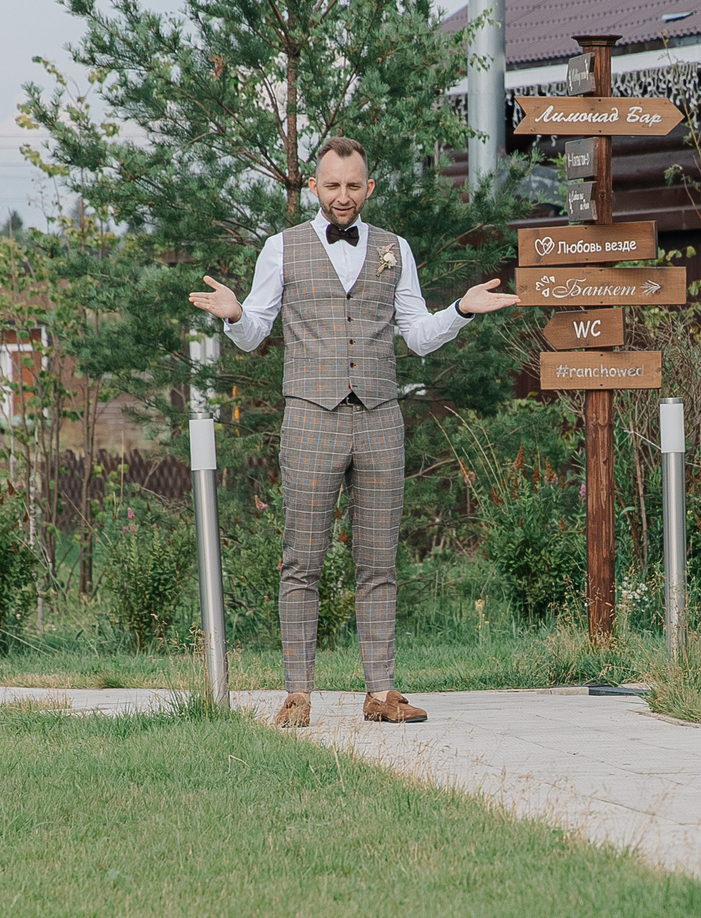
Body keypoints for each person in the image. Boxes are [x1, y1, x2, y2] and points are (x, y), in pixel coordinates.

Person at [190, 137, 518, 728]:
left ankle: (382, 692)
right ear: (314, 188)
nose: (343, 196)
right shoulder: (281, 248)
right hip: (310, 417)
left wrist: (461, 311)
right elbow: (257, 330)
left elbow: (416, 335)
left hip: (380, 418)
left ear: (369, 188)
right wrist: (236, 315)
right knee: (303, 561)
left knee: (379, 560)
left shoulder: (396, 249)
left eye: (353, 185)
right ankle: (297, 693)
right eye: (332, 185)